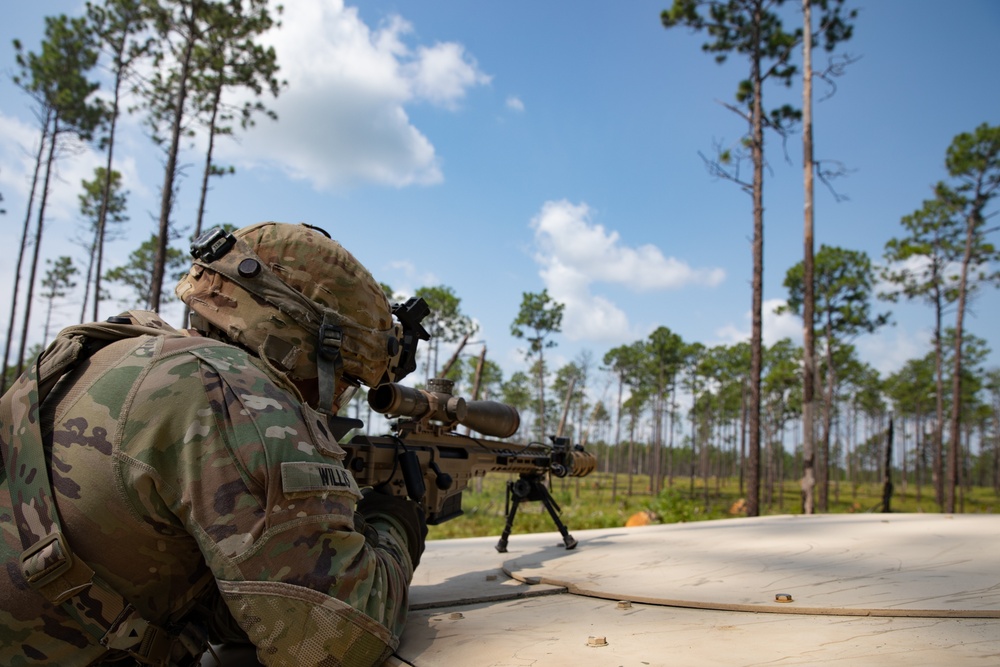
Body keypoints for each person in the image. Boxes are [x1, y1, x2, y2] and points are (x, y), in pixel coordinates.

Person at [0, 222, 427, 666]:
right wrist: (397, 526)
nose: (337, 398)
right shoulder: (231, 390)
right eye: (346, 379)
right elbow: (336, 641)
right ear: (306, 345)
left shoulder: (118, 353)